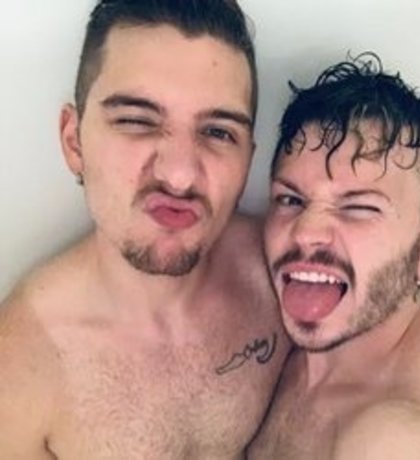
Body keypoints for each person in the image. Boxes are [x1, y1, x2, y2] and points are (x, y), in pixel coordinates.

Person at [0, 1, 290, 458]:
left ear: (247, 161)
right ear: (74, 142)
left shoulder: (284, 275)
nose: (179, 176)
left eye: (218, 132)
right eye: (137, 121)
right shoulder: (19, 371)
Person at [248, 54, 420, 459]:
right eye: (290, 199)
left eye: (359, 207)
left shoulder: (413, 441)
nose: (305, 231)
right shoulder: (279, 355)